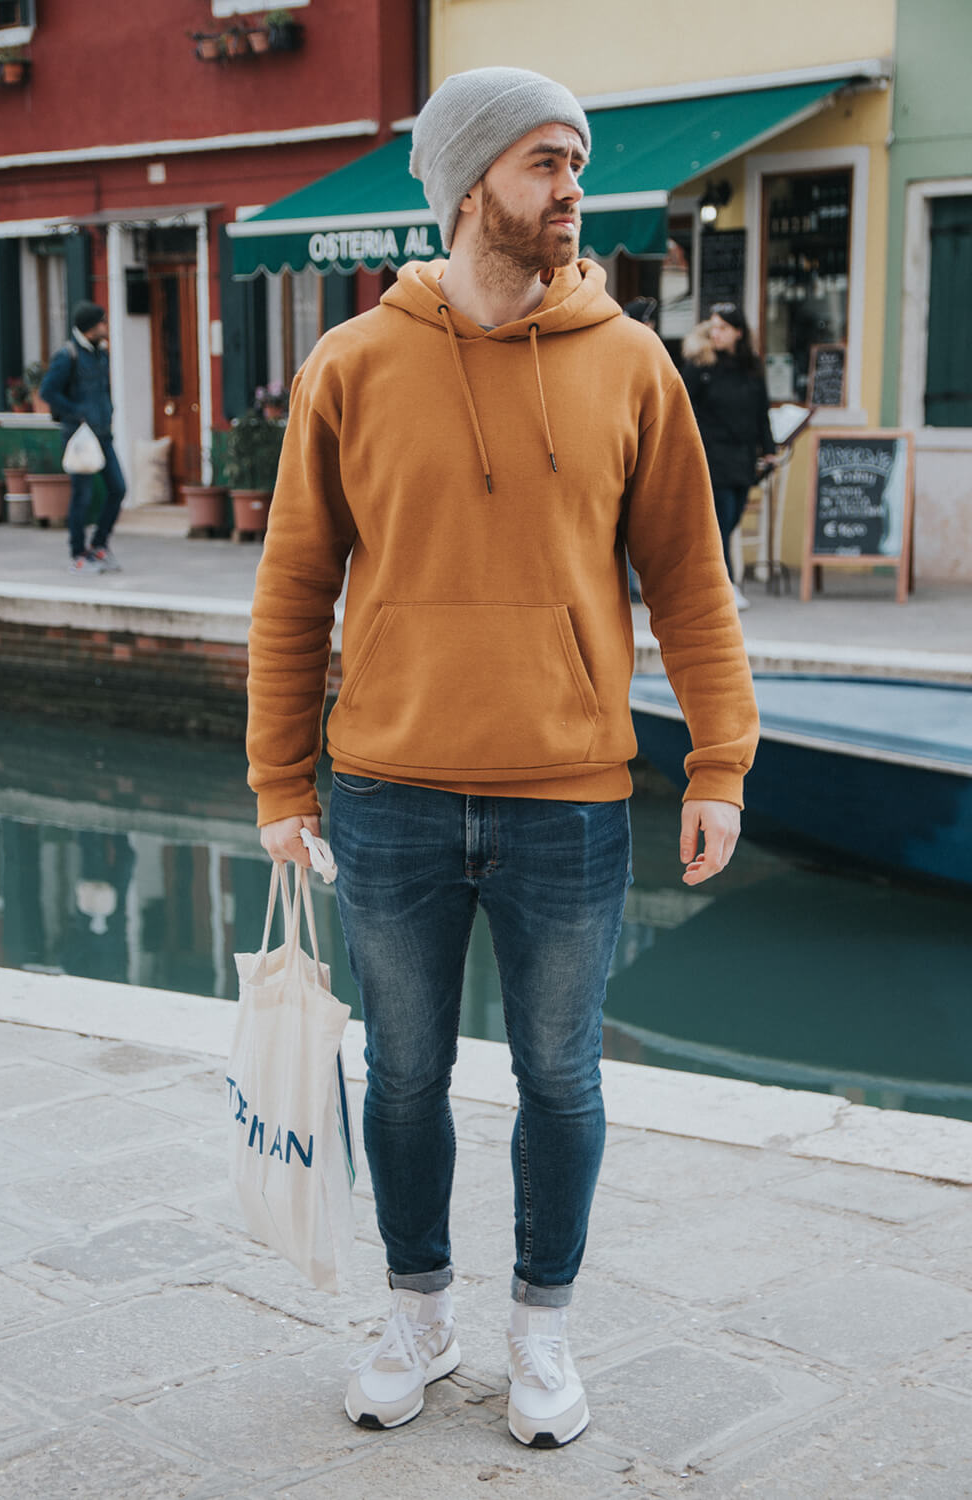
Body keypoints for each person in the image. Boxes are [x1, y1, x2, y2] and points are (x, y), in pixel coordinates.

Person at [246, 66, 759, 1450]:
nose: (571, 188)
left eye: (574, 163)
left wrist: (720, 761)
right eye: (546, 163)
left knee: (562, 1079)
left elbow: (691, 585)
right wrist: (281, 786)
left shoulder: (633, 364)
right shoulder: (352, 365)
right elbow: (294, 588)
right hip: (391, 794)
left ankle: (542, 1330)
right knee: (401, 1077)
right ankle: (418, 1313)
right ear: (471, 182)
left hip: (571, 801)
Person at [681, 304, 776, 609]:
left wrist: (769, 448)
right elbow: (680, 406)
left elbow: (762, 412)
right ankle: (726, 585)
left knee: (733, 516)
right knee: (719, 521)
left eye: (723, 327)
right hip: (711, 455)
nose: (716, 333)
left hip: (742, 456)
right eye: (713, 327)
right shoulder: (701, 366)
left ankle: (705, 581)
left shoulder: (751, 368)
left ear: (738, 332)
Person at [39, 301, 126, 573]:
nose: (105, 325)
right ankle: (77, 554)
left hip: (102, 434)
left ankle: (99, 545)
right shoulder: (68, 355)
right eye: (101, 321)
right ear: (90, 327)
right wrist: (78, 412)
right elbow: (47, 392)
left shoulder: (102, 354)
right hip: (78, 437)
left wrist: (107, 411)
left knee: (118, 488)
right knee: (82, 497)